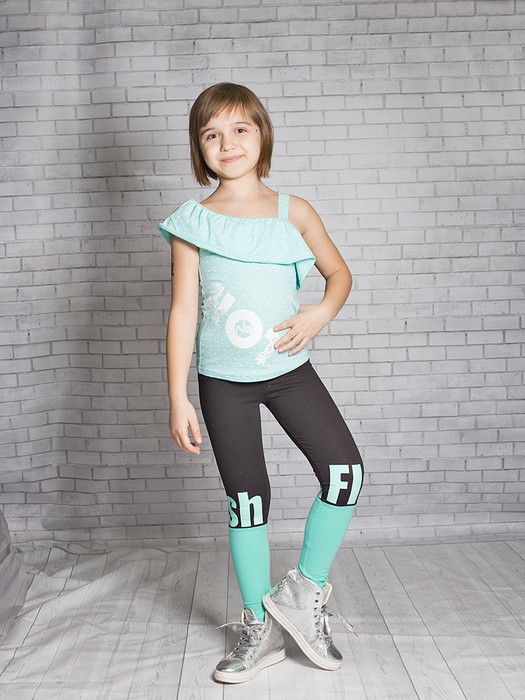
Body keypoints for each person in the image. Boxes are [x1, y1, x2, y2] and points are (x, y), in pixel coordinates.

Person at [157, 82, 364, 684]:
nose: (227, 143)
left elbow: (339, 274)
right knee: (248, 500)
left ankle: (303, 593)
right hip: (224, 383)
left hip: (289, 373)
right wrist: (177, 396)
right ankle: (258, 625)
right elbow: (183, 311)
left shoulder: (293, 212)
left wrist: (319, 314)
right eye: (211, 134)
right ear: (199, 148)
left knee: (345, 473)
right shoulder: (193, 222)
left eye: (240, 129)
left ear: (261, 135)